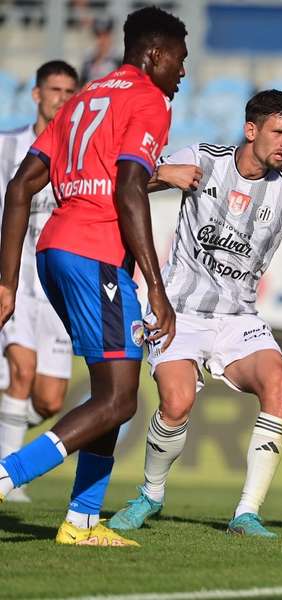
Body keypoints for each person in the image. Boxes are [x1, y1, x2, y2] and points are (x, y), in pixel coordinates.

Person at [106, 90, 282, 539]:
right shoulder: (202, 159)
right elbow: (128, 182)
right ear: (250, 130)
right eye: (278, 131)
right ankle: (150, 495)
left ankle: (246, 513)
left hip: (239, 319)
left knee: (280, 385)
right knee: (177, 403)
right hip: (179, 310)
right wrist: (162, 172)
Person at [0, 6, 187, 547]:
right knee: (119, 400)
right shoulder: (148, 100)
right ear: (154, 55)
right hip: (95, 256)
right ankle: (9, 475)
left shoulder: (83, 99)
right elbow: (130, 187)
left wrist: (6, 281)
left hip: (54, 251)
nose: (183, 72)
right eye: (179, 59)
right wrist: (154, 284)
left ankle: (82, 521)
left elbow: (19, 188)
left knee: (113, 389)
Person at [0, 61, 78, 503]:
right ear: (36, 94)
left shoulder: (81, 152)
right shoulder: (8, 145)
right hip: (14, 277)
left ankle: (4, 444)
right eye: (55, 89)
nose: (62, 99)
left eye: (70, 91)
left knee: (49, 401)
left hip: (56, 283)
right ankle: (11, 481)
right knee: (21, 371)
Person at [79, 17, 120, 85]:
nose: (102, 40)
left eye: (105, 35)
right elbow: (82, 83)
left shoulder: (118, 59)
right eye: (98, 35)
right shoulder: (88, 58)